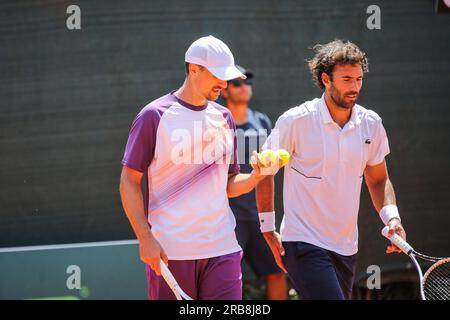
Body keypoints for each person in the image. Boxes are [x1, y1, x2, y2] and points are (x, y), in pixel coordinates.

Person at [256, 39, 407, 300]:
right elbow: (264, 173)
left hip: (346, 248)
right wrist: (267, 228)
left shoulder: (371, 124)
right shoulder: (295, 120)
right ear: (326, 79)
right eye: (347, 79)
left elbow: (378, 180)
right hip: (302, 241)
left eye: (359, 79)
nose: (355, 87)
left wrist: (393, 219)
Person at [119, 35, 267, 300]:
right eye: (218, 75)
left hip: (223, 248)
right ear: (194, 69)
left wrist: (257, 175)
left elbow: (228, 185)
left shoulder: (224, 117)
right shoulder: (154, 115)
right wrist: (145, 238)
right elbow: (129, 180)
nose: (224, 83)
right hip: (170, 252)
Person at [221, 65, 287, 300]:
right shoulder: (217, 123)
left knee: (277, 271)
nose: (244, 86)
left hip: (259, 215)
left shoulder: (262, 121)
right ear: (225, 90)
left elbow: (271, 169)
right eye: (237, 82)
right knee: (227, 278)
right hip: (229, 217)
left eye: (248, 81)